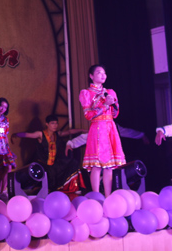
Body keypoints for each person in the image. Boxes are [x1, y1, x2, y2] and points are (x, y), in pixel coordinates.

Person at [79, 64, 125, 196]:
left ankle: (108, 196)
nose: (103, 75)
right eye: (99, 73)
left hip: (110, 128)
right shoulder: (86, 93)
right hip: (97, 128)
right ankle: (96, 195)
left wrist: (113, 104)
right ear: (91, 76)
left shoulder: (110, 92)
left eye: (104, 73)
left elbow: (115, 114)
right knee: (97, 165)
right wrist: (105, 105)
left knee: (109, 166)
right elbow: (88, 115)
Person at [14, 114, 84, 191]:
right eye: (52, 123)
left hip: (54, 163)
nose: (55, 125)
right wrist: (15, 135)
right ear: (47, 124)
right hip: (43, 164)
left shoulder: (57, 134)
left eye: (56, 123)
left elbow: (69, 132)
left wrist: (83, 130)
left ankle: (71, 187)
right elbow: (28, 135)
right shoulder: (41, 134)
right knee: (49, 174)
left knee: (73, 163)